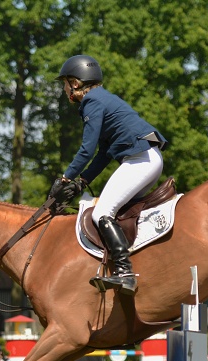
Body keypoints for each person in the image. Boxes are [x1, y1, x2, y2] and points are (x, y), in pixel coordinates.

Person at [49, 54, 167, 296]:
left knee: (103, 212)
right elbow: (103, 154)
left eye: (65, 83)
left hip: (141, 160)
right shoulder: (102, 99)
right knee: (117, 212)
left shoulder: (92, 102)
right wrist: (82, 182)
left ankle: (124, 273)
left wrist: (65, 178)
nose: (64, 89)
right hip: (147, 158)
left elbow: (87, 150)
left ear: (76, 83)